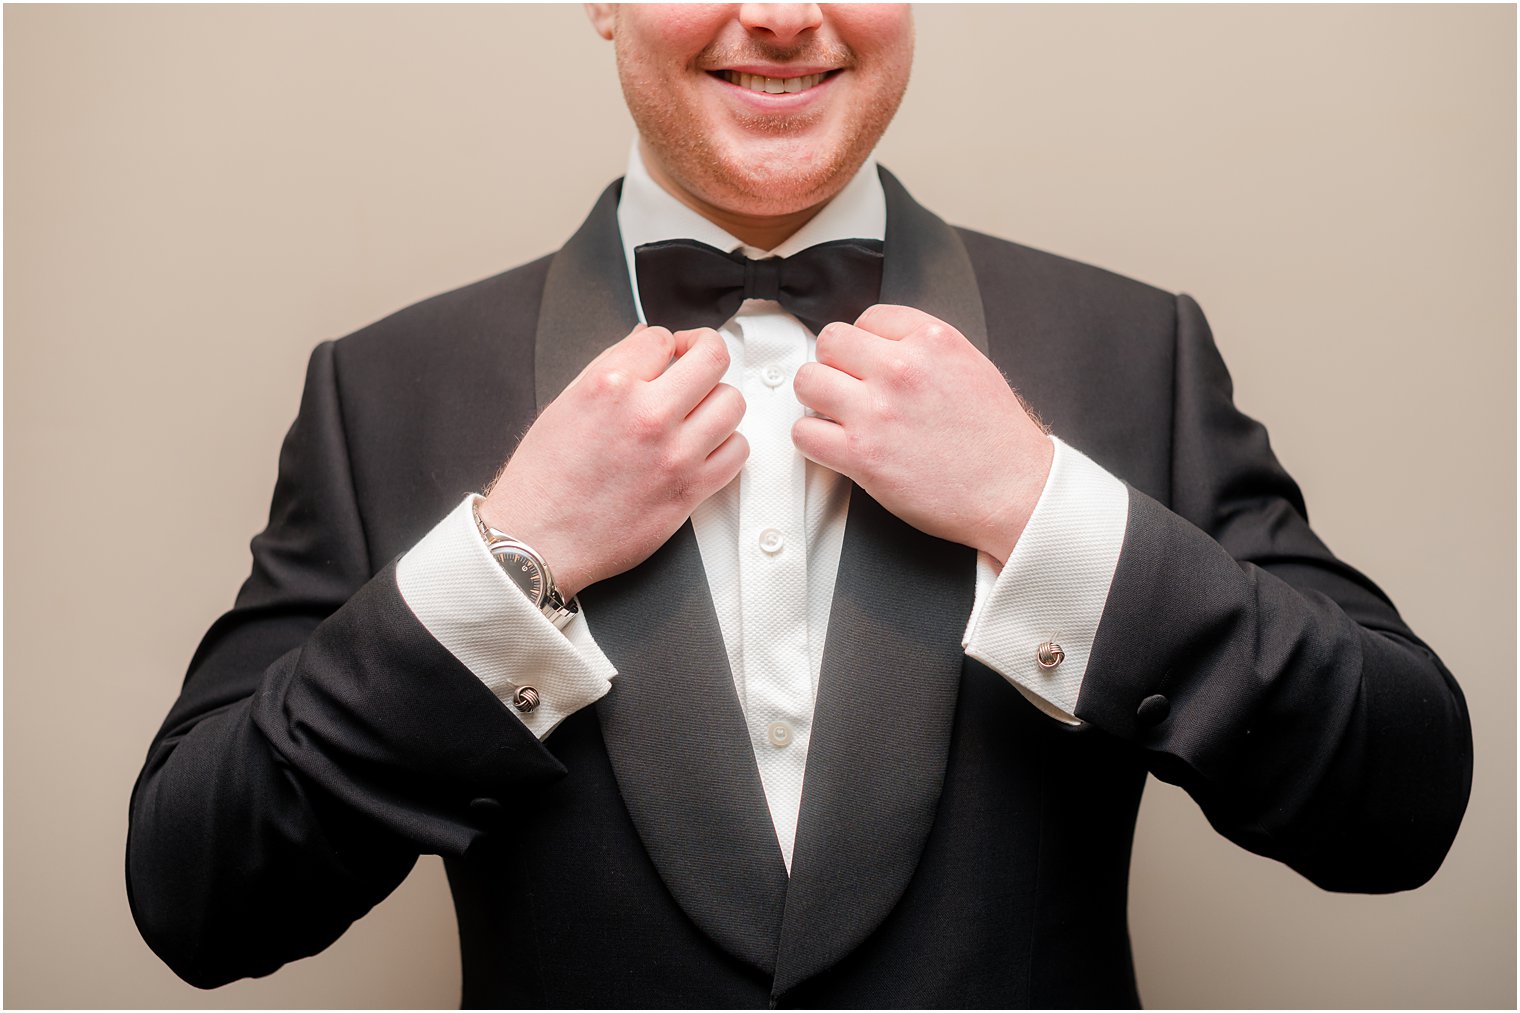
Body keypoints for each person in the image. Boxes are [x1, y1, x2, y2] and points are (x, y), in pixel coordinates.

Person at [126, 4, 1472, 1007]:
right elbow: (196, 890)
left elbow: (1400, 798)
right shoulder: (387, 387)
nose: (779, 14)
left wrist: (1040, 503)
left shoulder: (1134, 348)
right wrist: (510, 560)